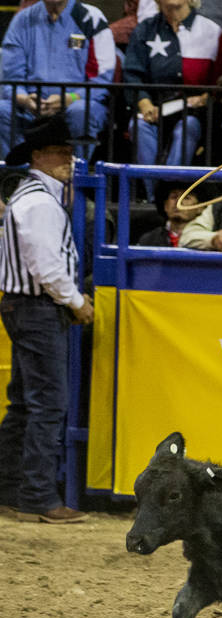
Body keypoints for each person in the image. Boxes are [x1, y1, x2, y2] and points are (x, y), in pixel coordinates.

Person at [0, 115, 93, 523]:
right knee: (48, 404)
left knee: (24, 403)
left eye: (70, 152)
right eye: (60, 152)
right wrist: (76, 302)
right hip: (37, 307)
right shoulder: (40, 201)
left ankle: (9, 488)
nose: (68, 159)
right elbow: (47, 267)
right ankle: (37, 495)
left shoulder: (32, 195)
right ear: (38, 156)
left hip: (25, 306)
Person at [123, 0, 222, 199]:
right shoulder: (144, 30)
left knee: (186, 128)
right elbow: (132, 75)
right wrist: (144, 103)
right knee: (139, 126)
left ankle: (169, 192)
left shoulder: (211, 30)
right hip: (154, 107)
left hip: (196, 111)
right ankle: (156, 197)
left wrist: (207, 97)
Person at [0, 0, 116, 161]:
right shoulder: (22, 20)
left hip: (78, 102)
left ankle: (73, 177)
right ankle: (19, 174)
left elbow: (102, 78)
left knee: (80, 111)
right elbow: (11, 77)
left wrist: (69, 98)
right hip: (30, 105)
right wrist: (25, 99)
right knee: (2, 109)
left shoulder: (91, 18)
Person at [137, 180, 207, 247]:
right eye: (174, 197)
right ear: (165, 206)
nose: (178, 202)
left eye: (186, 198)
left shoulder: (208, 240)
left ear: (200, 208)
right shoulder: (148, 240)